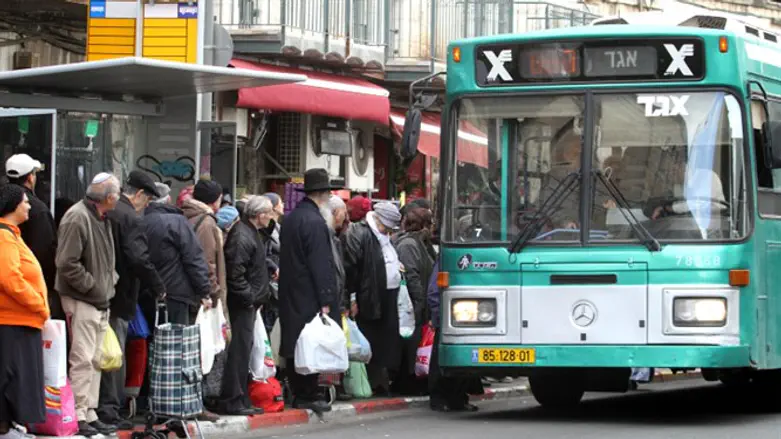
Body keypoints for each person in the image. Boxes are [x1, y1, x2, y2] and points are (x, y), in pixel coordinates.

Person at [98, 171, 166, 429]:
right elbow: (139, 258)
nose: (146, 206)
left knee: (102, 352)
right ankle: (110, 409)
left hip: (102, 292)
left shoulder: (109, 211)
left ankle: (103, 406)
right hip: (121, 294)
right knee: (115, 354)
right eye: (147, 200)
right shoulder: (130, 218)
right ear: (138, 194)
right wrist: (158, 285)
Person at [56, 172, 121, 437]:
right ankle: (80, 414)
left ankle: (89, 411)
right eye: (117, 194)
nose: (119, 198)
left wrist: (109, 283)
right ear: (108, 198)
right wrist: (95, 286)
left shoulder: (98, 216)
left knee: (95, 358)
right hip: (83, 298)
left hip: (97, 298)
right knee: (83, 358)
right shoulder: (78, 217)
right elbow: (66, 263)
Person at [278, 168, 341, 413]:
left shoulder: (293, 218)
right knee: (312, 343)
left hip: (292, 289)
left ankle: (299, 390)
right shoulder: (315, 222)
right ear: (324, 195)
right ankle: (308, 392)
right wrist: (326, 298)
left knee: (296, 342)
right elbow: (320, 264)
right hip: (309, 293)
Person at [0, 185, 49, 439]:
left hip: (22, 318)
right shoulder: (4, 236)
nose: (29, 206)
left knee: (17, 375)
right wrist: (37, 303)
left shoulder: (13, 235)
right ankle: (4, 427)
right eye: (25, 202)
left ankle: (11, 424)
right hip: (12, 318)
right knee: (10, 375)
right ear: (12, 206)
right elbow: (9, 277)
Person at [219, 195, 275, 415]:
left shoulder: (250, 232)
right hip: (243, 304)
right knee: (240, 351)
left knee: (245, 349)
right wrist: (249, 297)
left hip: (248, 302)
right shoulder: (243, 235)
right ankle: (232, 399)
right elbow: (236, 273)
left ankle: (239, 397)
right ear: (259, 215)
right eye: (269, 213)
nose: (271, 217)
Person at [343, 202, 403, 396]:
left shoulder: (382, 236)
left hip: (386, 294)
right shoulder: (359, 234)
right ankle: (373, 381)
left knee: (385, 340)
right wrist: (352, 298)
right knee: (371, 338)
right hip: (369, 295)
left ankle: (380, 380)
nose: (388, 230)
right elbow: (351, 269)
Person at [5, 154, 60, 320]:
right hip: (28, 295)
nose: (27, 207)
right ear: (30, 178)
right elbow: (46, 252)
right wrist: (40, 298)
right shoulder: (38, 210)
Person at [392, 205, 435, 395]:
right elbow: (411, 276)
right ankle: (408, 381)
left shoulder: (421, 244)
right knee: (410, 345)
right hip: (411, 305)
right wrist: (419, 304)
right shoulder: (409, 245)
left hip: (418, 304)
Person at [181, 180, 225, 328]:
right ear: (214, 200)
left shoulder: (187, 214)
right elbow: (208, 261)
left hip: (189, 289)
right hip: (201, 293)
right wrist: (213, 291)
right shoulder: (206, 223)